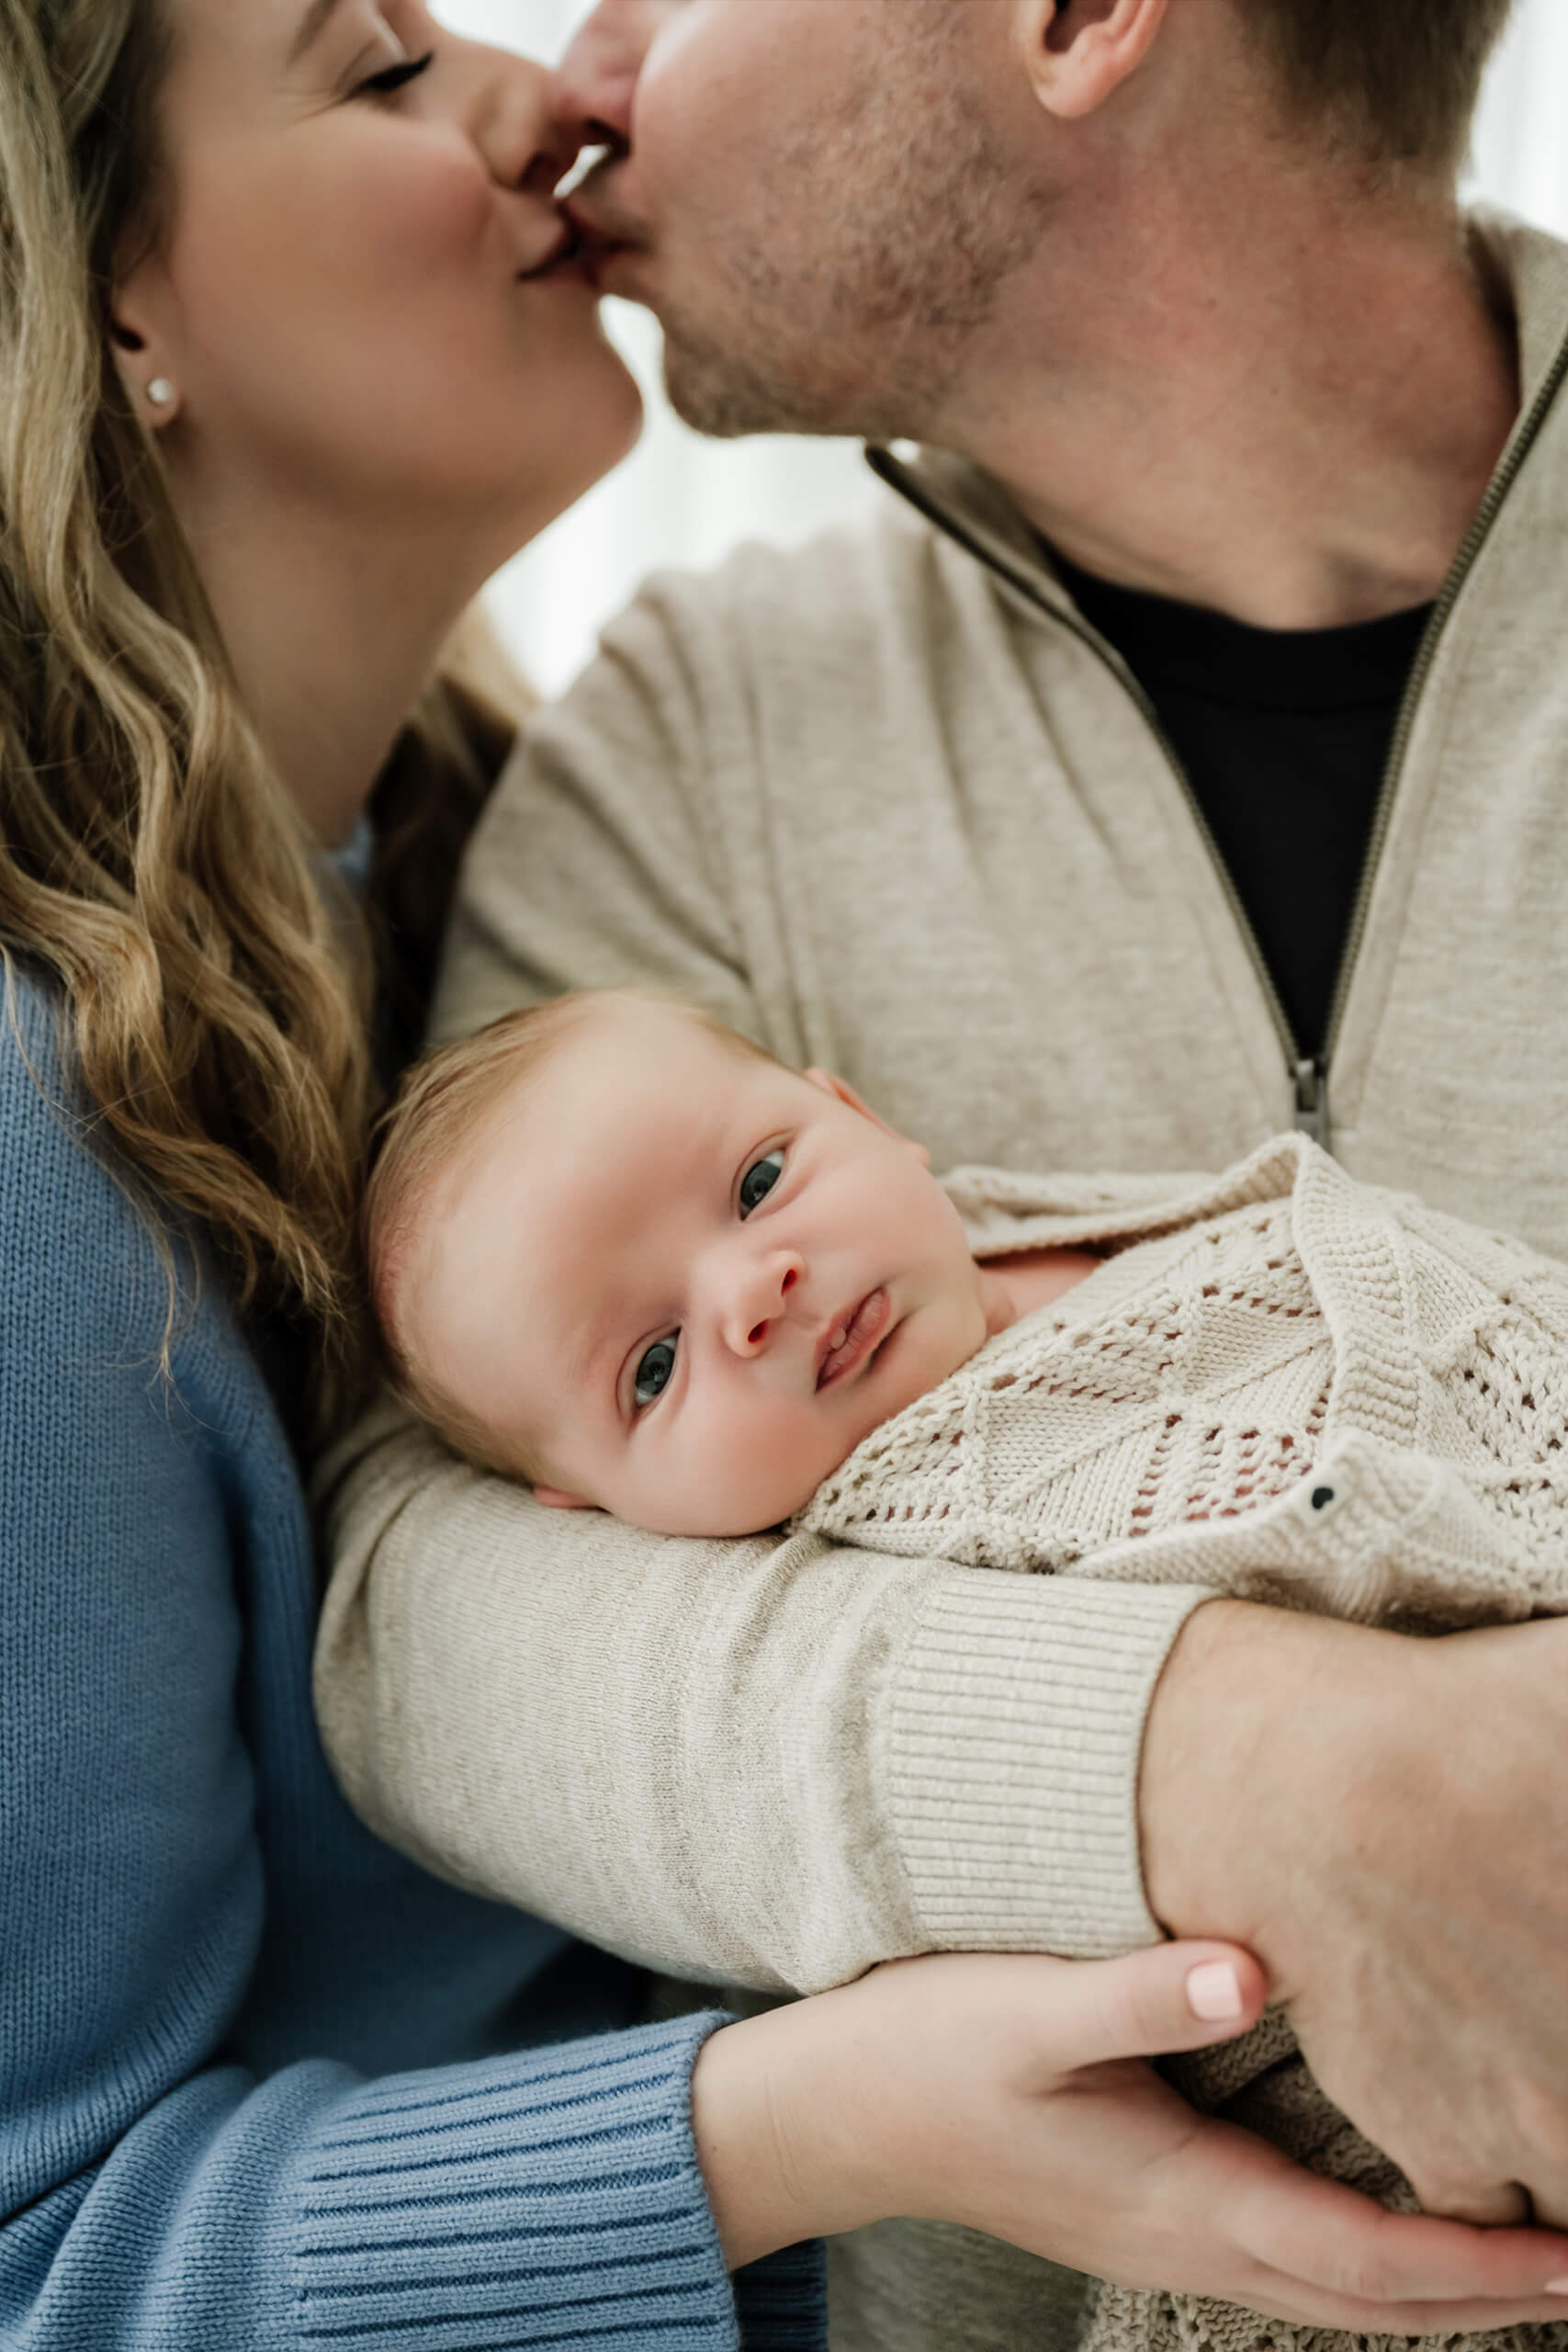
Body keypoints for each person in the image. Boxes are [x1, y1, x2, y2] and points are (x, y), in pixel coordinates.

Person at [5, 6, 1498, 2347]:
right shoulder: (682, 764)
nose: (567, 79)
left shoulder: (434, 849)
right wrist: (1220, 1764)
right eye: (379, 67)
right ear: (113, 305)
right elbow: (436, 1602)